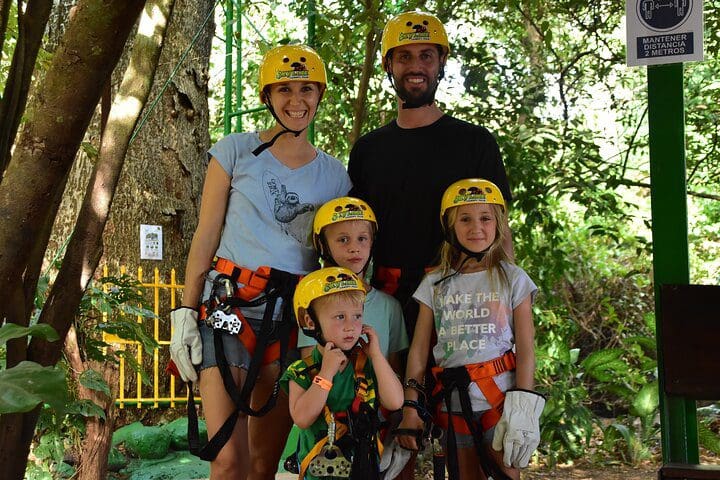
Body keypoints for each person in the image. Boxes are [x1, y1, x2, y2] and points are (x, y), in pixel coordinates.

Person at [169, 44, 352, 479]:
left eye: (307, 89)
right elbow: (206, 233)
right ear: (267, 96)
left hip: (292, 318)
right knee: (228, 460)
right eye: (284, 89)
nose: (296, 100)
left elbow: (341, 253)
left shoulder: (335, 175)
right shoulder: (234, 151)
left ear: (319, 95)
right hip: (229, 309)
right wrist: (183, 310)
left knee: (262, 464)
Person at [348, 11, 514, 338]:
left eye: (426, 56)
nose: (416, 66)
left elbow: (501, 230)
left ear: (441, 63)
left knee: (461, 390)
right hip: (388, 303)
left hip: (465, 297)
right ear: (387, 65)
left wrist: (506, 303)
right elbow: (356, 233)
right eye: (404, 57)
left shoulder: (475, 143)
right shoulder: (368, 150)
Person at [396, 179, 544, 480]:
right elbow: (420, 351)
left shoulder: (513, 279)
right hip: (452, 404)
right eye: (465, 219)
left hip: (500, 403)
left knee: (507, 473)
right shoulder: (434, 283)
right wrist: (411, 404)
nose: (476, 227)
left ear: (498, 223)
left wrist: (524, 408)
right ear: (450, 226)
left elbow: (527, 348)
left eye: (485, 218)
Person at [281, 267, 404, 479]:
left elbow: (395, 402)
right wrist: (326, 373)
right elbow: (302, 418)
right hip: (318, 472)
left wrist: (376, 356)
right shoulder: (302, 371)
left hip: (363, 469)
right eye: (340, 317)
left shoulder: (368, 366)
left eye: (357, 316)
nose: (351, 327)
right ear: (310, 322)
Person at [297, 196, 409, 371]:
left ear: (372, 242)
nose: (354, 248)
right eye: (343, 239)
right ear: (321, 243)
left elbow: (395, 372)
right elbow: (309, 372)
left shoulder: (390, 307)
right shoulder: (313, 302)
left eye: (362, 238)